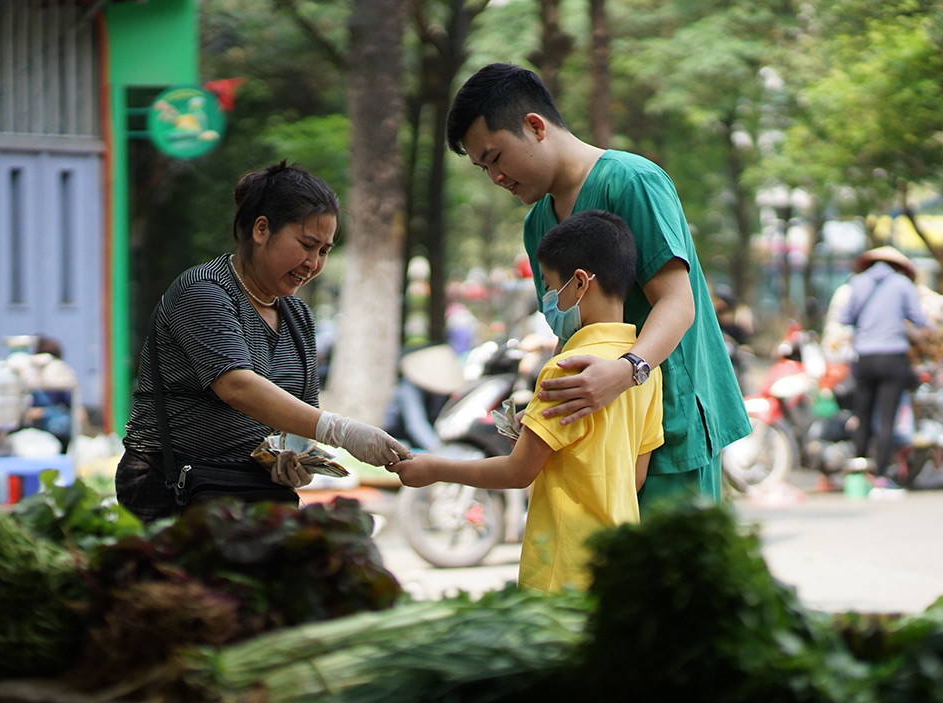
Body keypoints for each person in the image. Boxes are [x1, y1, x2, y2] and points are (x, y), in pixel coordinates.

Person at [445, 63, 748, 507]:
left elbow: (678, 304)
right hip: (598, 440)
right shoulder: (537, 226)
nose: (494, 178)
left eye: (494, 158)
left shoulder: (632, 181)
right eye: (481, 168)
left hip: (670, 425)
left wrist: (626, 372)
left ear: (534, 126)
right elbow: (572, 334)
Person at [116, 162, 410, 522]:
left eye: (324, 251)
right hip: (175, 490)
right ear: (261, 229)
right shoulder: (204, 292)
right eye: (306, 245)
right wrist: (342, 431)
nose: (312, 263)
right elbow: (236, 385)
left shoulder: (297, 316)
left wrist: (296, 459)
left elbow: (298, 417)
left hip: (254, 494)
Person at [393, 210, 664, 592]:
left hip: (564, 563)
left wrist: (435, 469)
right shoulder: (644, 370)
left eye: (551, 288)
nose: (547, 303)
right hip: (618, 563)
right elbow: (633, 478)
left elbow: (518, 472)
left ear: (580, 283)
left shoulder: (566, 367)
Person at [839, 246, 928, 490]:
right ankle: (880, 475)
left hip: (865, 357)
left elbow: (844, 318)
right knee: (887, 418)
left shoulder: (857, 283)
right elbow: (920, 319)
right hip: (893, 357)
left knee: (863, 415)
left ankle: (857, 474)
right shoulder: (902, 285)